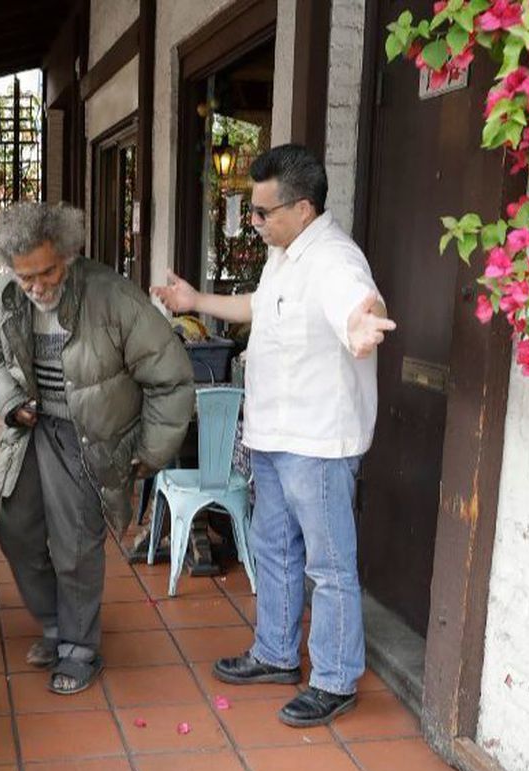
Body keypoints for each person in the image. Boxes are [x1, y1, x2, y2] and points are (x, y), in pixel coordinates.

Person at [153, 144, 396, 727]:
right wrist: (193, 301)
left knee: (329, 564)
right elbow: (258, 307)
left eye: (264, 212)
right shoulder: (285, 255)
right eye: (252, 210)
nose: (254, 222)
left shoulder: (335, 259)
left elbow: (357, 302)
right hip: (274, 433)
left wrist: (364, 321)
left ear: (304, 207)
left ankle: (335, 680)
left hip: (316, 441)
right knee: (274, 548)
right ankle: (276, 654)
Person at [0, 202, 195, 695]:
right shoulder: (0, 298)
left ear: (69, 254)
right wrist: (10, 402)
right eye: (25, 275)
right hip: (32, 429)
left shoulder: (114, 296)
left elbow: (172, 376)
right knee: (16, 531)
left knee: (75, 544)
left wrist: (151, 450)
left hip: (87, 436)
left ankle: (79, 647)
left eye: (48, 270)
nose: (38, 286)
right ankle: (56, 624)